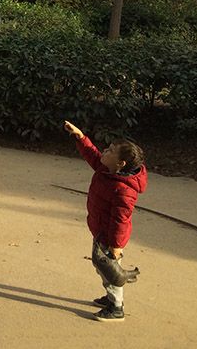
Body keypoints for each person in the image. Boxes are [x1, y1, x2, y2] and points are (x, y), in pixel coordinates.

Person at [63, 120, 147, 322]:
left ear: (121, 164)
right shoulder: (105, 168)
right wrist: (80, 136)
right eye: (107, 148)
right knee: (101, 268)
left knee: (111, 272)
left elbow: (121, 219)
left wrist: (116, 246)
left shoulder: (124, 190)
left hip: (110, 238)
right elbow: (92, 154)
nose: (104, 152)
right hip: (100, 229)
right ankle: (110, 298)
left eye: (110, 151)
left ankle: (116, 307)